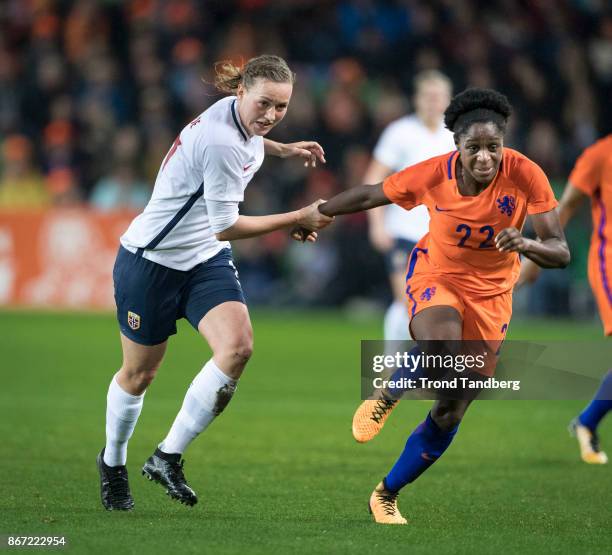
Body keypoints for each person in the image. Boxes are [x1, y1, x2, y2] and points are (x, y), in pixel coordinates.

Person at [315, 88, 570, 524]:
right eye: (474, 148)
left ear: (504, 143)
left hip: (492, 297)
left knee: (452, 407)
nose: (485, 158)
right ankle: (390, 391)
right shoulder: (432, 173)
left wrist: (525, 242)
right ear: (457, 146)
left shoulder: (527, 174)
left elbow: (560, 251)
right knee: (442, 340)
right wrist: (318, 212)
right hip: (438, 275)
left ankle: (387, 493)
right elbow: (368, 196)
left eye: (494, 147)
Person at [97, 54, 333, 511]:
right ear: (241, 90)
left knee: (238, 347)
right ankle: (112, 462)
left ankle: (167, 456)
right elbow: (226, 225)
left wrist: (286, 148)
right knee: (139, 374)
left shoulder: (239, 121)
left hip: (204, 259)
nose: (271, 115)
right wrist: (298, 218)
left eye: (282, 107)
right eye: (265, 103)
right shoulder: (221, 141)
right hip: (152, 263)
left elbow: (252, 145)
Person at [352, 70, 455, 443]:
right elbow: (374, 178)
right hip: (404, 233)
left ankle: (409, 372)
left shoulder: (455, 136)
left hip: (442, 238)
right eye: (427, 95)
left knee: (433, 310)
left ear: (448, 99)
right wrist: (376, 224)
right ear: (417, 98)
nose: (432, 101)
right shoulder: (400, 132)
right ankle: (388, 377)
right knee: (405, 301)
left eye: (438, 95)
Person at [520, 135, 612, 465]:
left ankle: (587, 422)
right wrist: (534, 258)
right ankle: (587, 421)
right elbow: (568, 205)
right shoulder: (600, 155)